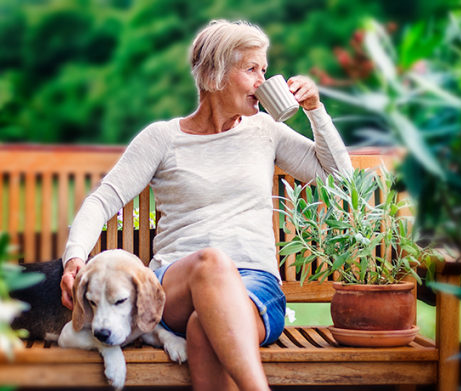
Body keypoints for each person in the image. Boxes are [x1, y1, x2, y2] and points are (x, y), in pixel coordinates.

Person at [59, 19, 353, 390]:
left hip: (256, 286)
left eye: (264, 69)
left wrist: (315, 109)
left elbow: (342, 182)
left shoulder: (266, 131)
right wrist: (74, 259)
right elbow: (103, 200)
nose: (263, 81)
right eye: (251, 70)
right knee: (212, 262)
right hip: (176, 287)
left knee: (203, 327)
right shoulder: (162, 139)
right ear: (215, 74)